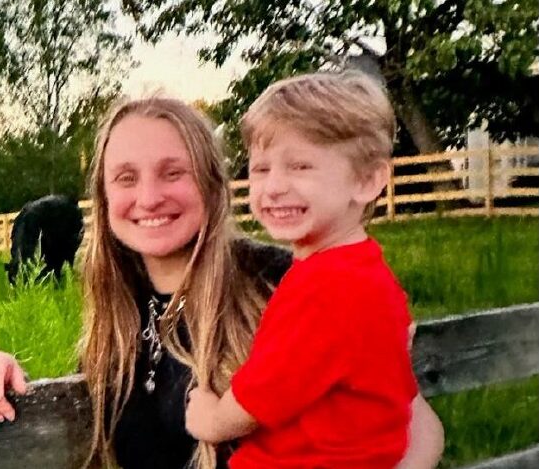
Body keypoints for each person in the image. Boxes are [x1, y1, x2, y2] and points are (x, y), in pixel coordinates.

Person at [0, 95, 443, 469]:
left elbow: (415, 425)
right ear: (105, 200)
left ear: (212, 185)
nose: (149, 197)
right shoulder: (117, 314)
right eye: (126, 178)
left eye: (173, 172)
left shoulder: (290, 284)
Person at [185, 71, 432, 468]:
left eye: (300, 166)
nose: (274, 187)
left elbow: (265, 390)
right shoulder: (368, 271)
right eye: (260, 169)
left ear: (368, 181)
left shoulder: (325, 286)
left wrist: (212, 420)